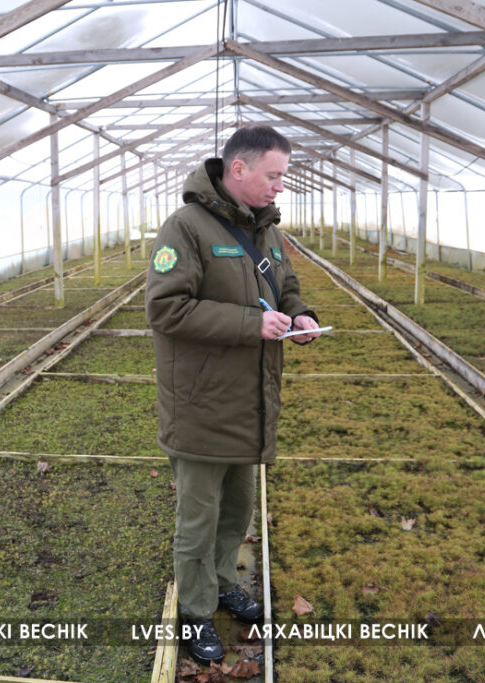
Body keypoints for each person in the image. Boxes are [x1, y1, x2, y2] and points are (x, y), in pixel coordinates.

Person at [145, 125, 320, 663]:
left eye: (283, 176)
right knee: (198, 518)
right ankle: (195, 611)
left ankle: (222, 584)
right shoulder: (186, 228)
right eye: (274, 175)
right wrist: (250, 324)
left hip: (250, 402)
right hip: (201, 404)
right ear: (238, 169)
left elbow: (284, 286)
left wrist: (300, 314)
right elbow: (166, 308)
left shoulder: (266, 229)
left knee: (237, 510)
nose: (280, 186)